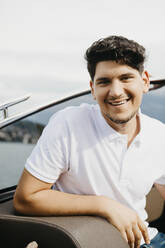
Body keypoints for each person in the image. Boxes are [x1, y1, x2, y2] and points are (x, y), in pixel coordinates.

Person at [14, 35, 165, 248]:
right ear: (93, 89)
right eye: (104, 81)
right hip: (92, 242)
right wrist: (105, 205)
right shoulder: (68, 123)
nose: (115, 91)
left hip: (148, 240)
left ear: (145, 81)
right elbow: (25, 198)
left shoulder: (159, 134)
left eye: (125, 78)